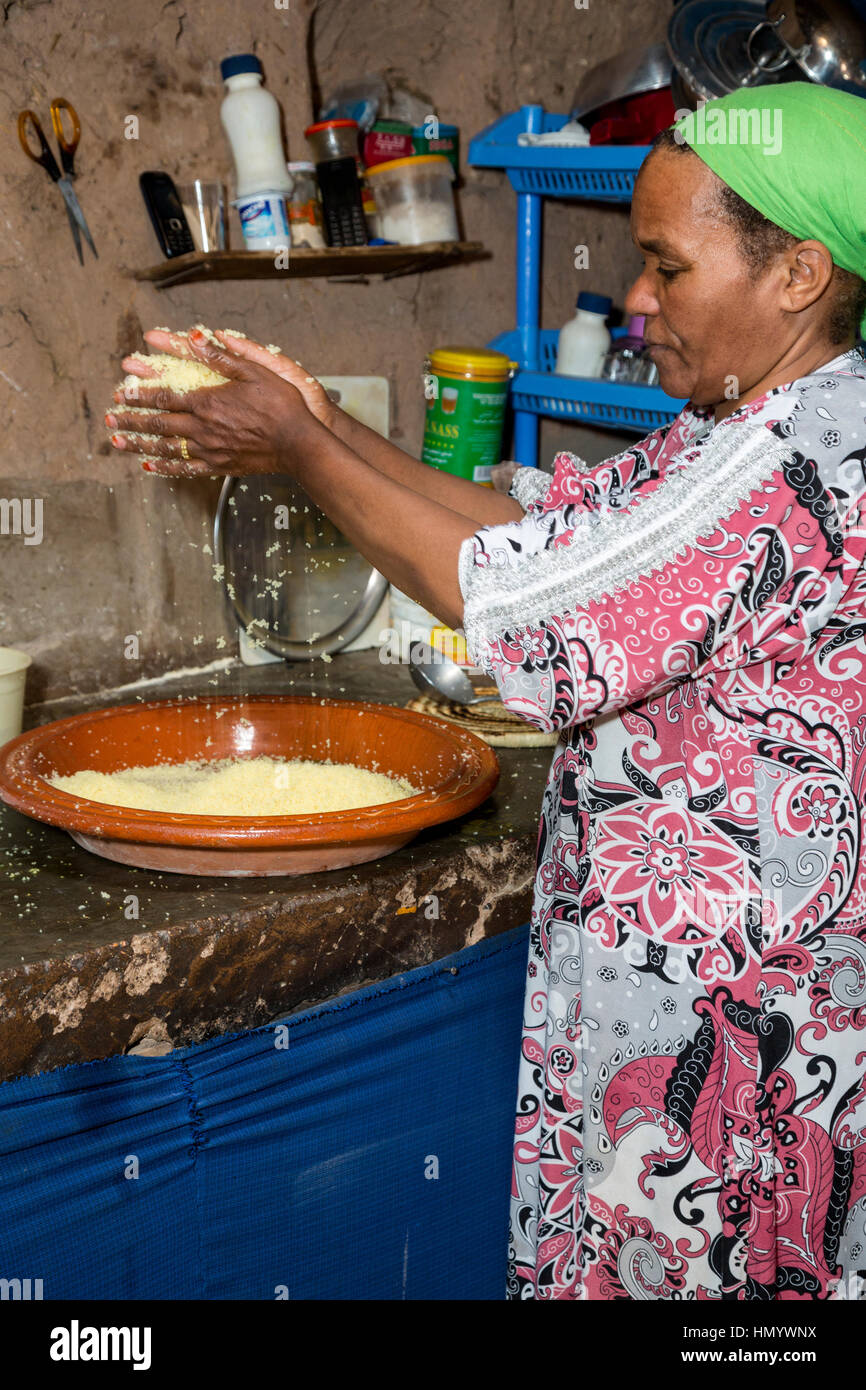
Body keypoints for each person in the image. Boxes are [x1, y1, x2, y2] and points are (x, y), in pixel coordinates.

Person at [107, 82, 866, 1301]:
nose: (636, 300)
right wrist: (317, 423)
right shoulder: (750, 422)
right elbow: (551, 533)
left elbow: (536, 611)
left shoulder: (793, 466)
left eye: (666, 267)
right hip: (689, 1021)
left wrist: (303, 449)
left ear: (796, 275)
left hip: (726, 1059)